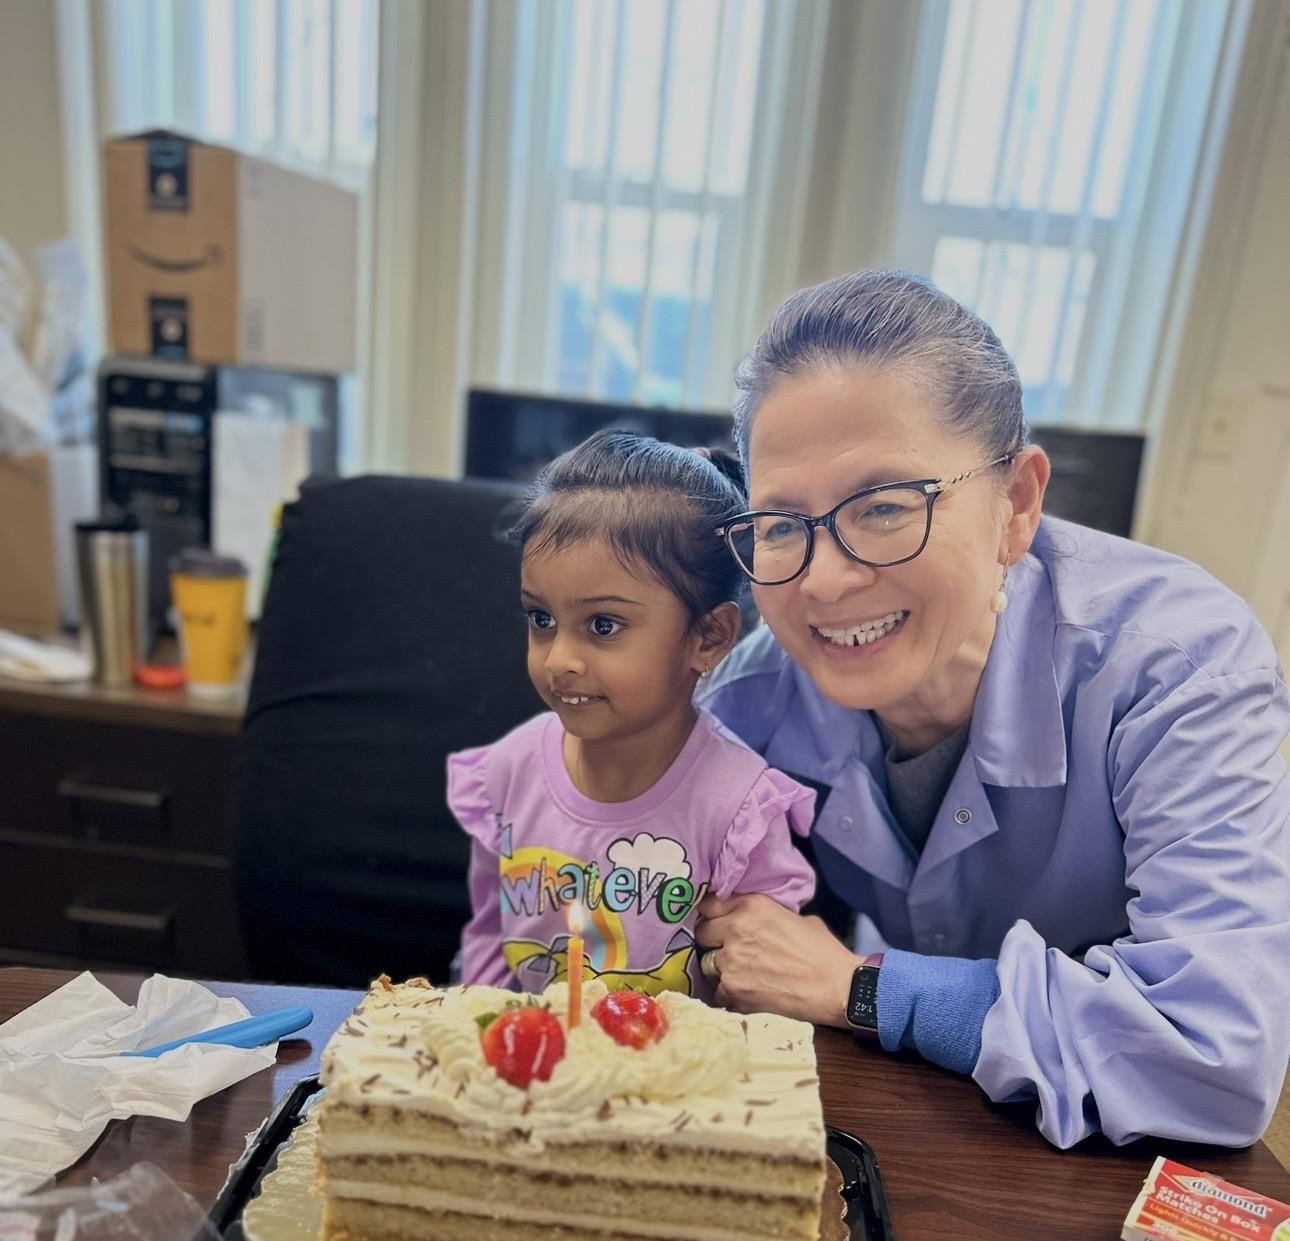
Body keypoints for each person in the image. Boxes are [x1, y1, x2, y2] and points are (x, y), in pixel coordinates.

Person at [696, 269, 1290, 1148]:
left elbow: (1215, 1053)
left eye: (886, 506)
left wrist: (868, 987)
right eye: (781, 524)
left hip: (1108, 1181)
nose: (822, 579)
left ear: (1017, 504)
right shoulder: (751, 703)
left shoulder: (1178, 668)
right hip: (921, 1141)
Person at [447, 430, 816, 1001]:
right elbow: (489, 946)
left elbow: (765, 987)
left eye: (602, 626)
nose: (560, 660)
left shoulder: (740, 808)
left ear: (709, 637)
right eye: (541, 619)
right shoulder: (504, 772)